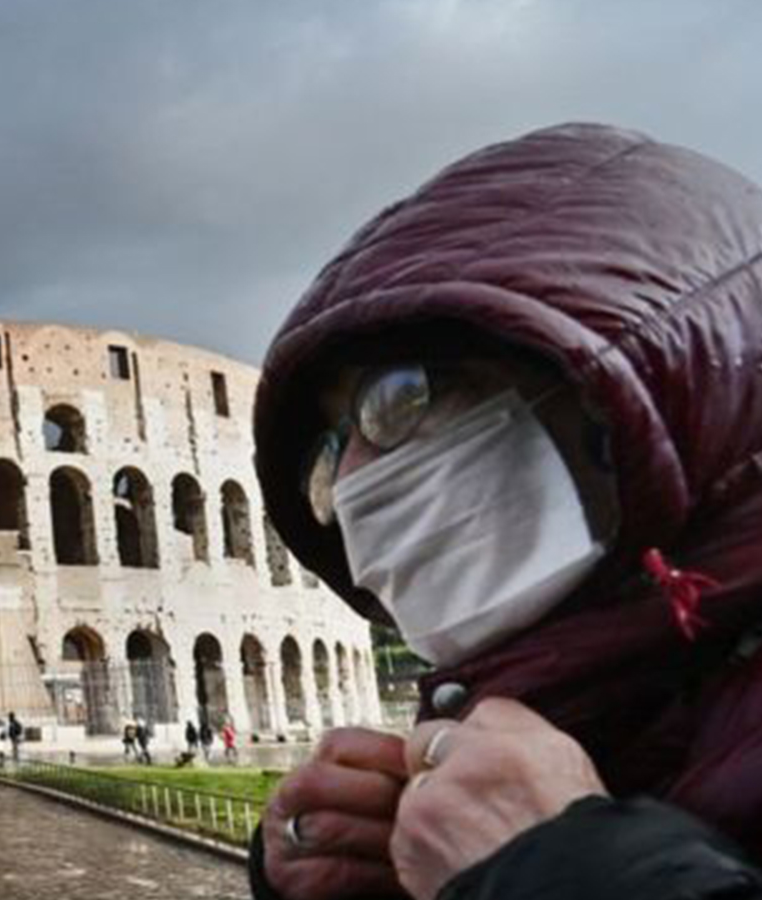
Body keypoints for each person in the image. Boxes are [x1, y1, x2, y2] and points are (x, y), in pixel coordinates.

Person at [246, 123, 762, 900]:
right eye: (330, 446)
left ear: (626, 390)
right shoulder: (572, 706)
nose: (349, 479)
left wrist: (564, 873)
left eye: (400, 395)